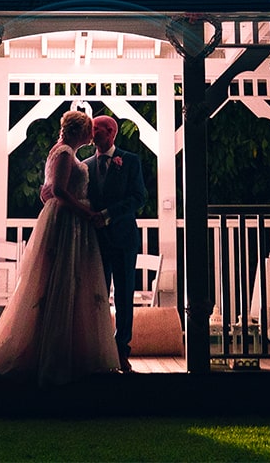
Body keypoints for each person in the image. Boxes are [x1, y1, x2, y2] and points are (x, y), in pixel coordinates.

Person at [0, 110, 120, 385]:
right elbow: (58, 191)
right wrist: (84, 211)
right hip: (68, 222)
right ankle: (53, 355)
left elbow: (52, 189)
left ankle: (70, 351)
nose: (91, 135)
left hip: (70, 222)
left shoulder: (64, 152)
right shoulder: (66, 153)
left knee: (71, 281)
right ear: (79, 131)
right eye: (88, 130)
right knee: (61, 279)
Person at [85, 114, 147, 372]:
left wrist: (107, 215)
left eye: (97, 129)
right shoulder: (85, 164)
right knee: (95, 295)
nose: (92, 134)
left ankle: (122, 349)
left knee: (124, 295)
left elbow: (138, 198)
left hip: (122, 238)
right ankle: (96, 350)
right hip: (94, 241)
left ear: (111, 132)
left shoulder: (130, 161)